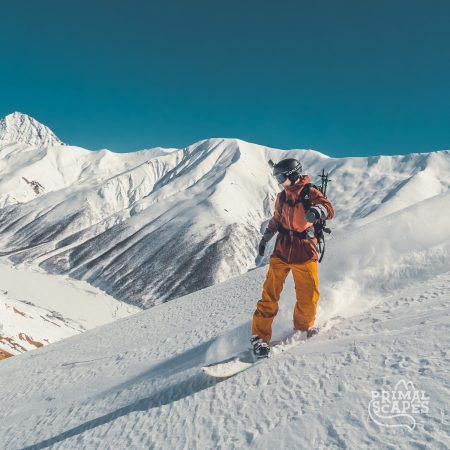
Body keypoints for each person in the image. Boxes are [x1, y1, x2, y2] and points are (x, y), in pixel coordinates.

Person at [251, 158, 335, 358]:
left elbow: (328, 208)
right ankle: (260, 337)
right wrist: (265, 238)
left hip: (304, 251)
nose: (280, 182)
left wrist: (316, 211)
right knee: (269, 295)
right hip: (282, 250)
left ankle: (303, 329)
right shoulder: (281, 197)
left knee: (308, 297)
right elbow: (276, 220)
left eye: (281, 177)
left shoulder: (309, 192)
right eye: (277, 178)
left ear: (293, 175)